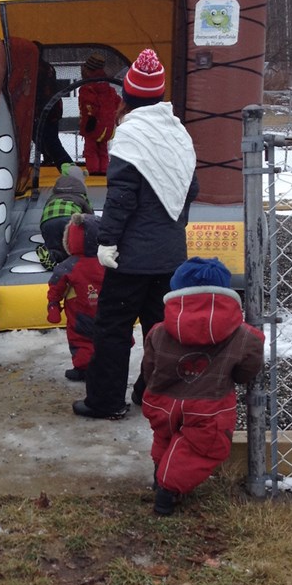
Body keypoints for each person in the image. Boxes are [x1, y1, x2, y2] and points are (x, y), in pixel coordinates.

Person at [73, 48, 199, 421]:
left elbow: (121, 199)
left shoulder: (131, 135)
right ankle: (152, 393)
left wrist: (107, 241)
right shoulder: (178, 133)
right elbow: (190, 189)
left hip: (129, 260)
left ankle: (106, 401)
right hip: (170, 256)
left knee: (112, 329)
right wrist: (173, 229)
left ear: (127, 94)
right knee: (161, 331)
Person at [140, 257, 265, 515]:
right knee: (204, 446)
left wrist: (154, 387)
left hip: (161, 399)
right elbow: (247, 370)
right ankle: (167, 490)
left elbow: (149, 368)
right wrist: (235, 375)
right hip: (209, 404)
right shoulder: (244, 336)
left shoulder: (159, 331)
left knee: (165, 436)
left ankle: (159, 474)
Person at [47, 213, 105, 382]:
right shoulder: (107, 262)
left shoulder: (69, 265)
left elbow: (56, 285)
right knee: (107, 338)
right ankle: (107, 365)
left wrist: (53, 304)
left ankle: (84, 368)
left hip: (80, 313)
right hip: (106, 311)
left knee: (81, 340)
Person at [36, 163, 93, 270]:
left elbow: (45, 209)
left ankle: (52, 255)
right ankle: (74, 258)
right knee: (74, 247)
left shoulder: (53, 195)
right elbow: (90, 215)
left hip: (47, 223)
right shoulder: (81, 196)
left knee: (55, 246)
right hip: (68, 220)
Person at [32, 42, 73, 170]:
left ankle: (69, 168)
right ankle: (50, 159)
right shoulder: (46, 67)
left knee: (50, 141)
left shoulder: (37, 69)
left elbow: (38, 92)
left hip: (45, 110)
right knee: (45, 138)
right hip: (51, 108)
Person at [78, 53, 120, 175]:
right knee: (102, 149)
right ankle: (103, 171)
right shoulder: (107, 87)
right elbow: (117, 102)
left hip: (93, 124)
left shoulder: (87, 88)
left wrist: (90, 118)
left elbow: (89, 104)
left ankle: (93, 171)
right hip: (107, 126)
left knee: (90, 149)